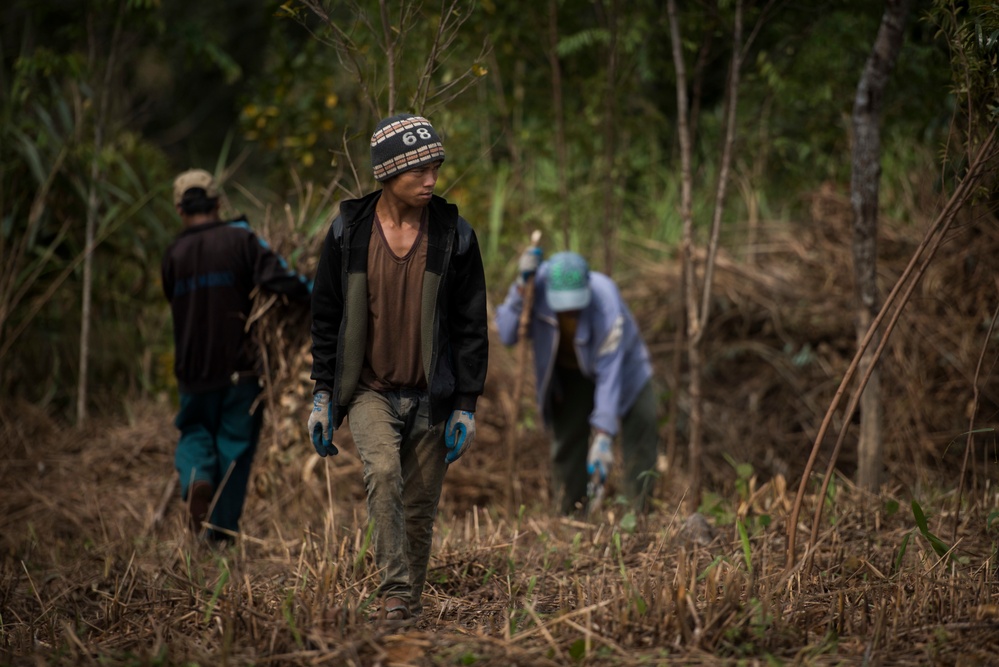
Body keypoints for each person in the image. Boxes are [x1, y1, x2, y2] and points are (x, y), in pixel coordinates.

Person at [308, 114, 488, 622]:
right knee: (384, 474)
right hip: (368, 389)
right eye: (418, 172)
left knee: (419, 507)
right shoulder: (349, 233)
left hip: (434, 393)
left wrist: (466, 406)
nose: (431, 179)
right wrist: (323, 393)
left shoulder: (456, 236)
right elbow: (325, 317)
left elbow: (472, 326)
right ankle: (392, 597)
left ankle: (405, 610)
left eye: (435, 167)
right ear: (386, 175)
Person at [162, 169, 311, 544]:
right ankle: (220, 537)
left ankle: (196, 476)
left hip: (193, 372)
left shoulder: (173, 254)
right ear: (217, 203)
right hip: (240, 370)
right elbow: (283, 280)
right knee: (235, 448)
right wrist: (320, 292)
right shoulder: (241, 240)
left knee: (194, 431)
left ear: (180, 209)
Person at [496, 249, 659, 515]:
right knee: (567, 443)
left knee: (642, 426)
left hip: (626, 371)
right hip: (569, 374)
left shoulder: (605, 299)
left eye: (575, 303)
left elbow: (611, 371)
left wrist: (604, 435)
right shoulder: (534, 287)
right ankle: (570, 518)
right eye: (563, 304)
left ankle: (637, 517)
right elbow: (506, 334)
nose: (570, 310)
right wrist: (519, 291)